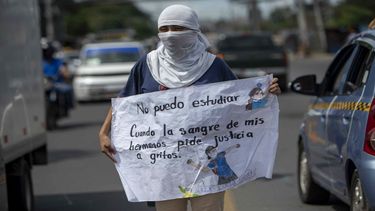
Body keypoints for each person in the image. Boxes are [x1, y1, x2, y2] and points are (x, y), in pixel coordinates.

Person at [98, 4, 281, 211]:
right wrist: (104, 132)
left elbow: (238, 103)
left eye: (177, 28)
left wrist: (266, 92)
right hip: (163, 166)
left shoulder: (214, 65)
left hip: (206, 167)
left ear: (194, 31)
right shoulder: (147, 64)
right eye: (164, 29)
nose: (170, 34)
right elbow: (125, 103)